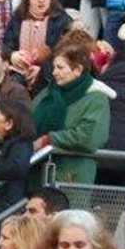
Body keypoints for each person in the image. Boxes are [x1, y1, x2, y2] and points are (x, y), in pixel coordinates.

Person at [29, 44, 110, 187]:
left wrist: (48, 140)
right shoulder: (47, 93)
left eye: (60, 68)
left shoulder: (96, 99)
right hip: (36, 172)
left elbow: (90, 136)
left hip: (71, 177)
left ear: (77, 70)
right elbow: (28, 119)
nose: (54, 72)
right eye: (54, 67)